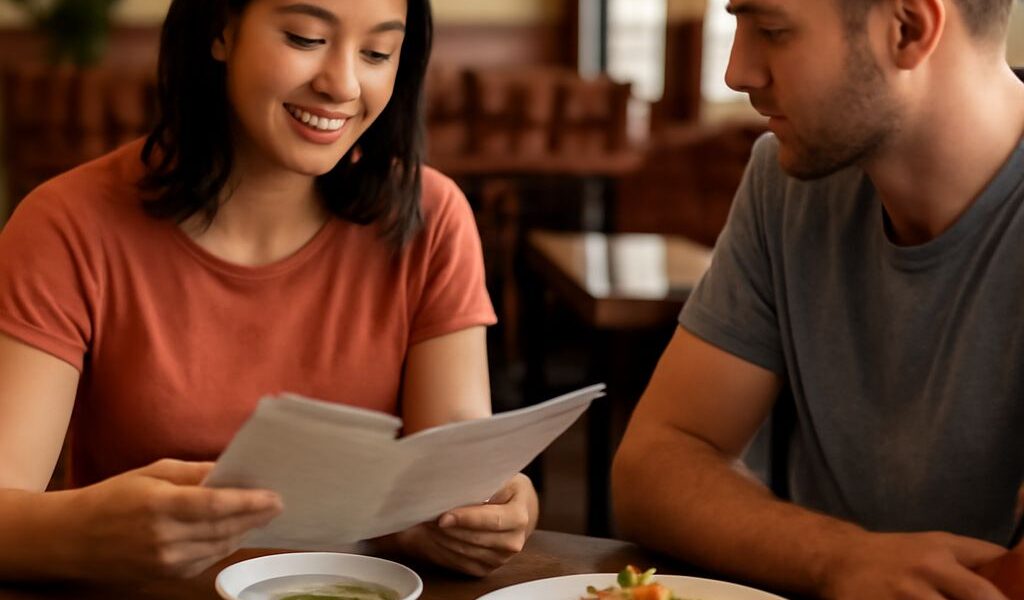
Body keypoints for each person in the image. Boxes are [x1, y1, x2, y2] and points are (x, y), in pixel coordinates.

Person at [0, 0, 538, 582]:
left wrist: (485, 508)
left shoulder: (428, 217)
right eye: (306, 38)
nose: (342, 84)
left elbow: (450, 469)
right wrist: (87, 531)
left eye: (377, 52)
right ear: (221, 31)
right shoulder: (67, 225)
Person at [612, 0, 1024, 598]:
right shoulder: (786, 183)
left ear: (909, 30)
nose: (737, 71)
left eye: (773, 31)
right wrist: (841, 559)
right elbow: (652, 464)